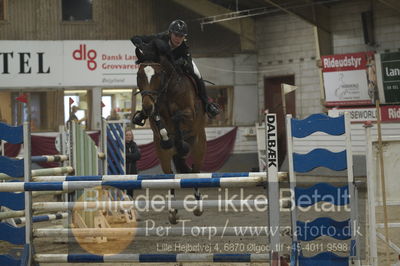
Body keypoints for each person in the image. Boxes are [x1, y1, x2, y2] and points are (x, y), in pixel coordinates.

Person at [130, 19, 220, 125]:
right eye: (176, 35)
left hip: (181, 65)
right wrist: (139, 42)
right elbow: (136, 38)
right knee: (151, 80)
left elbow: (189, 65)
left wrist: (183, 63)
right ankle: (144, 112)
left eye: (181, 36)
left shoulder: (184, 48)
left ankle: (207, 104)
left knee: (197, 74)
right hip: (162, 66)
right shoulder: (160, 37)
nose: (178, 38)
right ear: (170, 33)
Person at [125, 128, 141, 197]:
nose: (128, 136)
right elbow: (123, 157)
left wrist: (127, 156)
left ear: (132, 136)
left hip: (133, 171)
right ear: (124, 136)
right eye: (127, 135)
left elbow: (138, 156)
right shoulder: (122, 144)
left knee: (132, 191)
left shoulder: (134, 145)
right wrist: (131, 157)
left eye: (130, 135)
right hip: (124, 171)